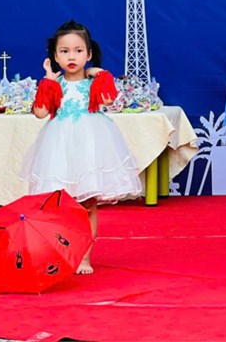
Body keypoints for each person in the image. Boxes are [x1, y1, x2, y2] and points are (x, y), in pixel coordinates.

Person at [20, 20, 142, 273]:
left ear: (88, 53)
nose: (71, 57)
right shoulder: (55, 84)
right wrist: (47, 82)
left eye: (78, 50)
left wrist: (101, 74)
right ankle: (63, 251)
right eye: (64, 51)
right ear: (55, 56)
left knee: (88, 204)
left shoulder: (92, 82)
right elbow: (40, 113)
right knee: (60, 205)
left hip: (89, 147)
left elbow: (109, 99)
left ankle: (85, 256)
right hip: (60, 148)